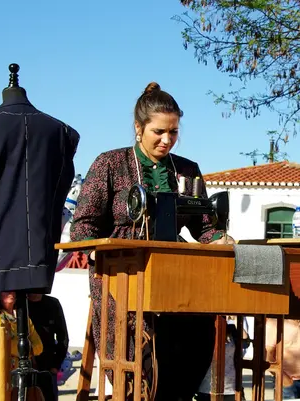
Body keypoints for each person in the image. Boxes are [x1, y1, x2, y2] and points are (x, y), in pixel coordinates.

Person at [70, 82, 234, 401]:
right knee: (133, 361)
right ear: (138, 127)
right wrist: (102, 250)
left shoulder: (187, 170)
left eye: (173, 132)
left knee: (198, 334)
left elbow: (204, 227)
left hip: (173, 283)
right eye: (159, 131)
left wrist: (220, 239)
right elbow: (82, 226)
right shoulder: (110, 164)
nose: (167, 140)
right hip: (119, 281)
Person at [28, 293, 69, 401]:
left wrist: (56, 365)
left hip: (48, 366)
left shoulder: (52, 304)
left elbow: (63, 337)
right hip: (26, 365)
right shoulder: (21, 304)